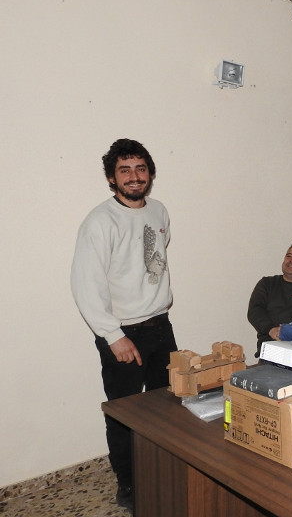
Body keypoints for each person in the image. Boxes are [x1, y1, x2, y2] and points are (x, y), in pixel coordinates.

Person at [71, 139, 177, 512]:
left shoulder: (160, 212)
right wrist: (113, 336)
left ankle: (165, 472)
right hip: (122, 333)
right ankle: (129, 488)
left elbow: (154, 260)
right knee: (125, 413)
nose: (134, 176)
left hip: (160, 325)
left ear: (149, 173)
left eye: (140, 168)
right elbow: (86, 284)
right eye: (125, 170)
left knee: (168, 404)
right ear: (112, 177)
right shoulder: (100, 221)